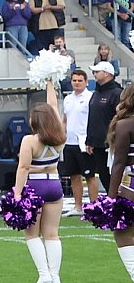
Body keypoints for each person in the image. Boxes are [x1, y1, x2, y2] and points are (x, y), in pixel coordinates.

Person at [13, 95, 67, 283]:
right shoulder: (60, 138)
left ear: (35, 120)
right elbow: (54, 107)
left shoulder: (29, 140)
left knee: (32, 234)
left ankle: (44, 275)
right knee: (52, 233)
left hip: (34, 187)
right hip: (54, 186)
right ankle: (55, 276)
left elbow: (23, 168)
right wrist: (50, 85)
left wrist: (17, 194)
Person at [103, 84, 134, 283]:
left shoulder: (125, 124)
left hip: (131, 186)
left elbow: (119, 163)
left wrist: (111, 198)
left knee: (122, 233)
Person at [85, 61, 122, 197]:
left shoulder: (117, 93)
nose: (94, 74)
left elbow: (120, 118)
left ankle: (119, 201)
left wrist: (115, 139)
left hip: (112, 143)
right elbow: (92, 117)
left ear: (106, 73)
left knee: (114, 175)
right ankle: (111, 200)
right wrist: (90, 140)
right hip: (97, 143)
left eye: (97, 71)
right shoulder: (96, 93)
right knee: (103, 174)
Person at [60, 68, 93, 213]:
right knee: (74, 175)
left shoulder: (91, 97)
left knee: (89, 175)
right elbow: (65, 119)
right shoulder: (67, 99)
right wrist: (62, 135)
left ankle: (93, 206)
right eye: (74, 80)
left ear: (86, 82)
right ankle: (77, 206)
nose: (77, 83)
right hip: (69, 142)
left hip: (84, 142)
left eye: (80, 80)